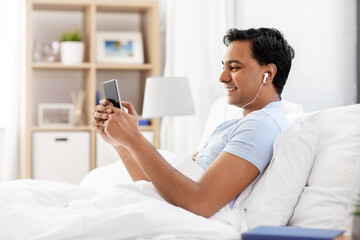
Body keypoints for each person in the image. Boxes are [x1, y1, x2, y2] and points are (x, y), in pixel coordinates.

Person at [91, 27, 295, 218]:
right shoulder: (237, 125)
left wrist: (134, 138)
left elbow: (199, 202)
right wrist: (121, 143)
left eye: (234, 67)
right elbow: (157, 187)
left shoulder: (260, 127)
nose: (222, 77)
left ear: (268, 73)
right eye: (223, 67)